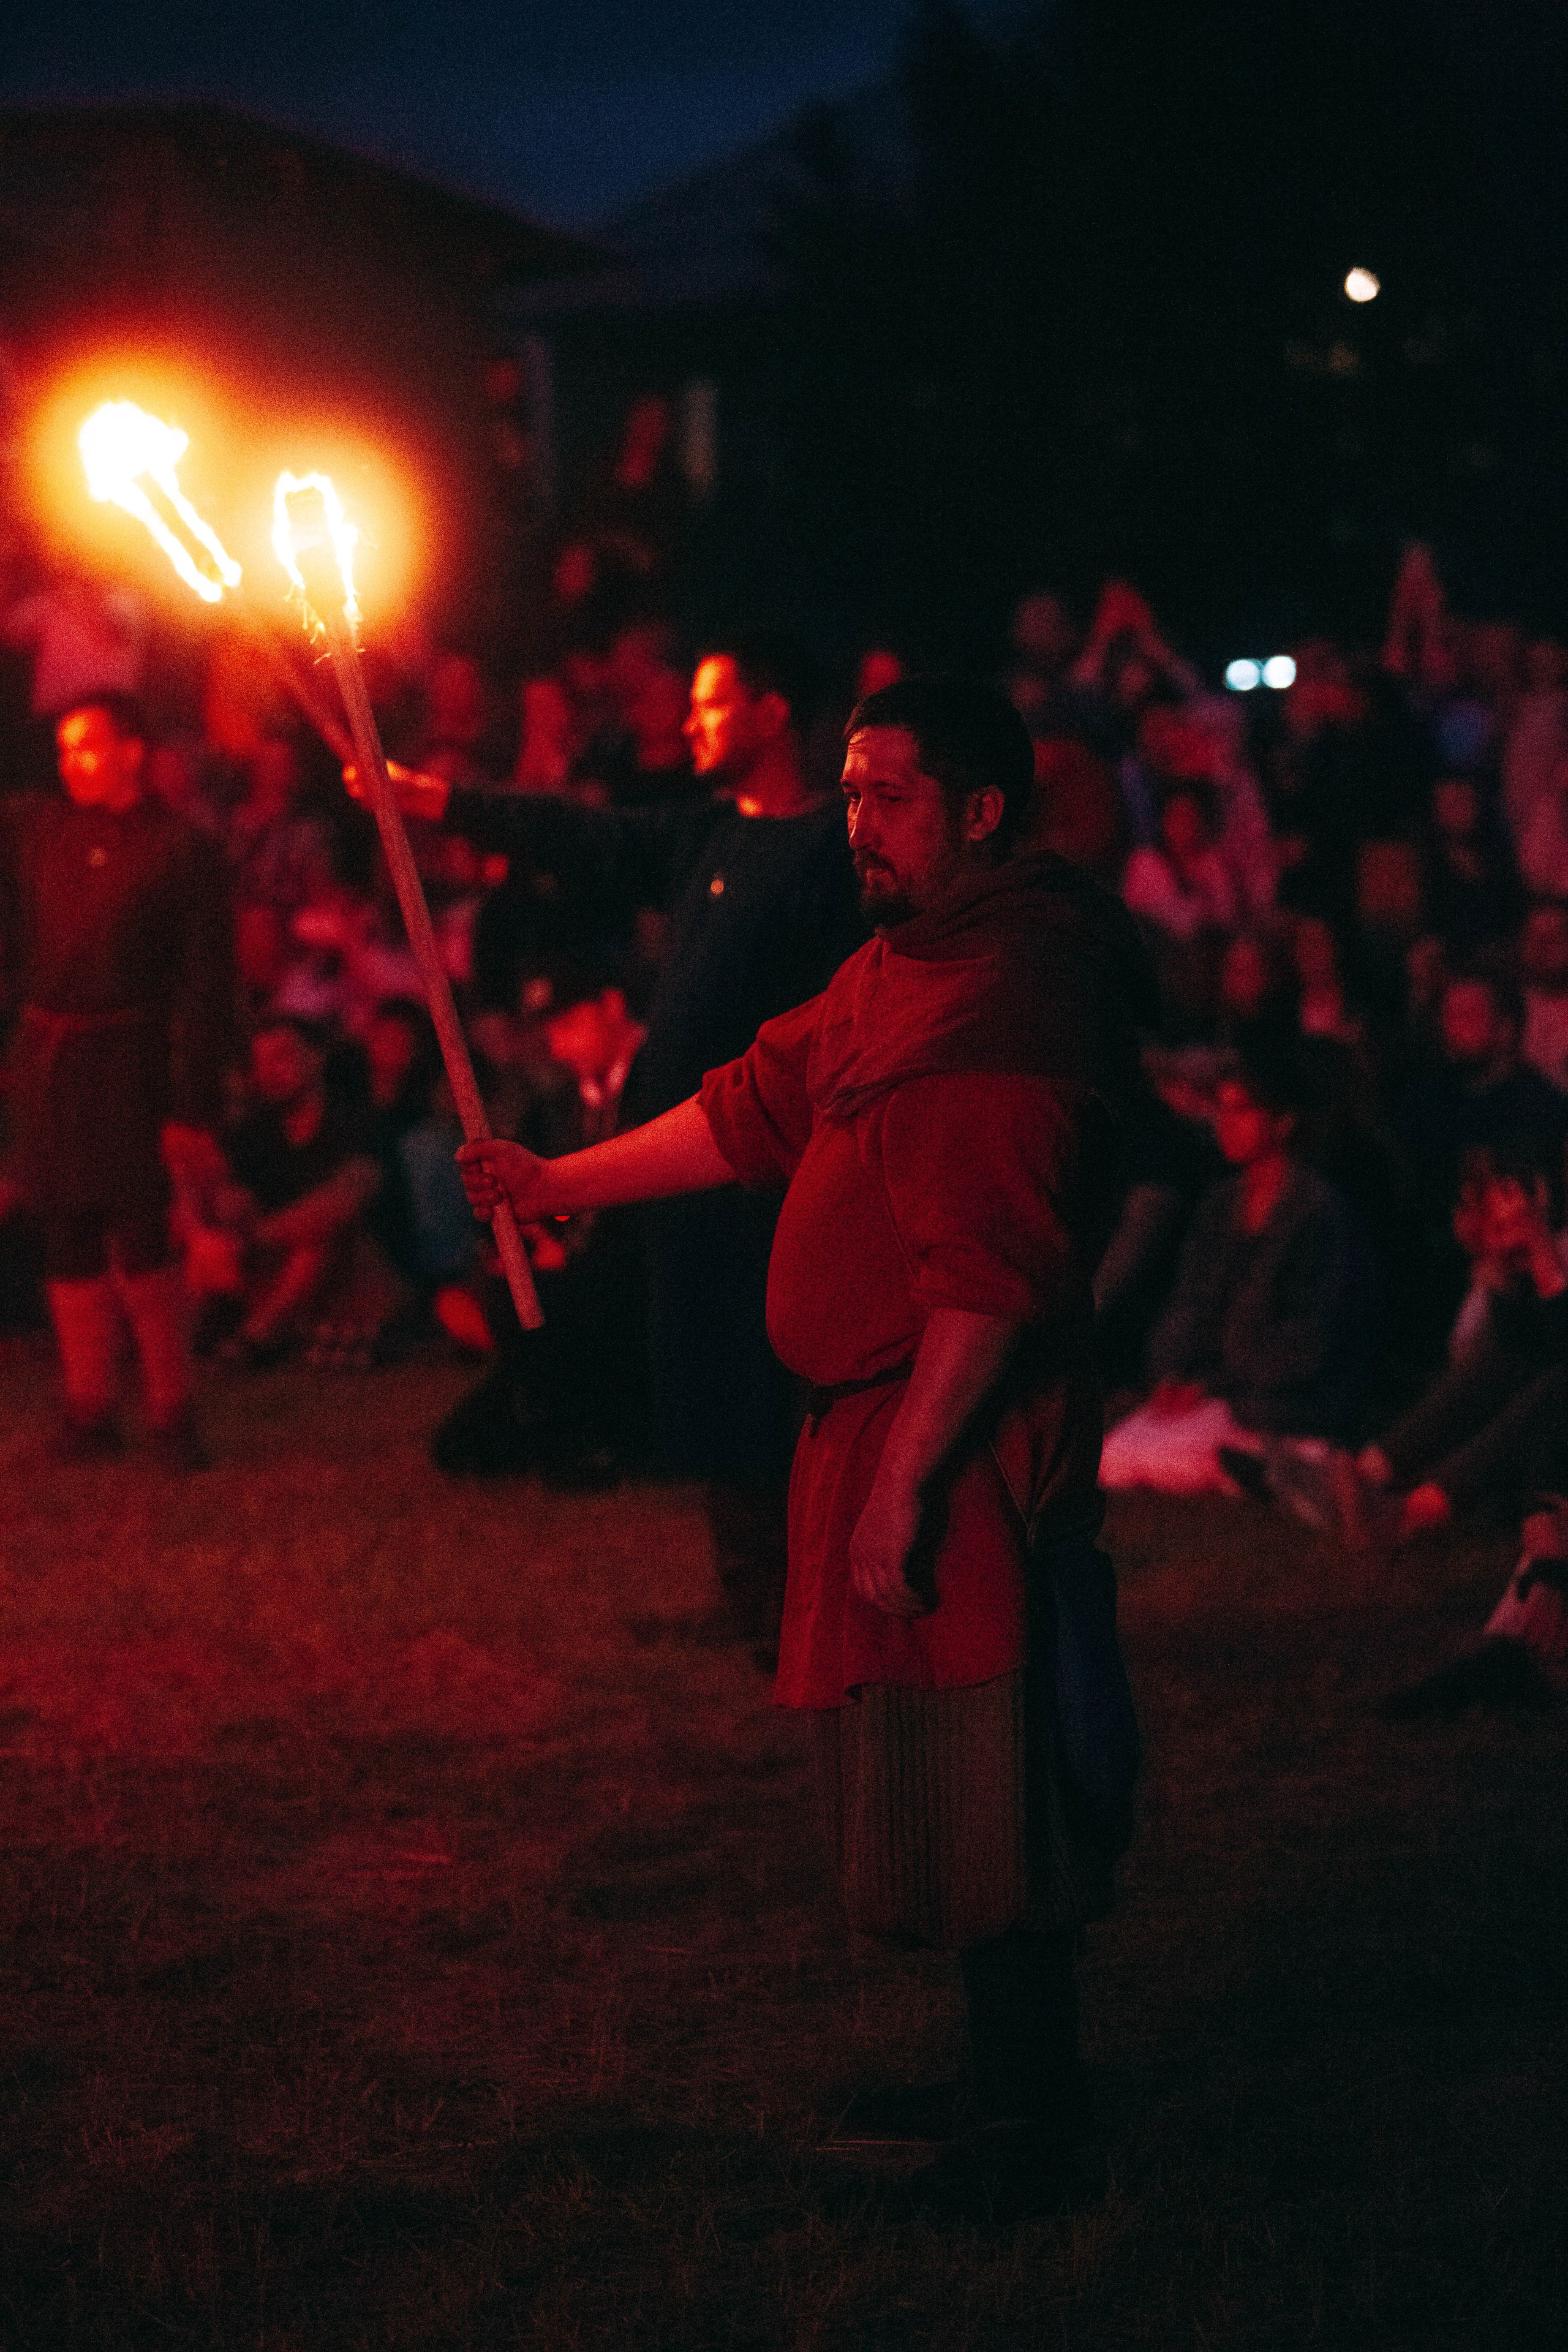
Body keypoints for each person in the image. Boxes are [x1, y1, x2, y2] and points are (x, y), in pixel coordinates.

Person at [454, 677, 1153, 2222]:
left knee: (994, 1764)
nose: (856, 824)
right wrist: (556, 1180)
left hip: (959, 1445)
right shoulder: (896, 966)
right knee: (940, 1763)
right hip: (877, 1427)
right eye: (848, 794)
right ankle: (1002, 2080)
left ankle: (1027, 2125)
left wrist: (904, 1487)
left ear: (980, 809)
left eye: (889, 795)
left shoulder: (1009, 993)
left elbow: (986, 1284)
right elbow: (746, 1110)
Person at [360, 635, 866, 1650]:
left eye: (711, 704)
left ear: (772, 714)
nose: (689, 721)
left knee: (775, 1390)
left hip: (774, 1169)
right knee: (712, 1387)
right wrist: (436, 800)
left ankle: (820, 1608)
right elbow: (581, 834)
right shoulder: (707, 834)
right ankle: (756, 1601)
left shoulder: (832, 854)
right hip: (684, 1175)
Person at [0, 698, 234, 1463]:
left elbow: (206, 984)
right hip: (51, 1058)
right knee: (65, 1229)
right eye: (65, 750)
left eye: (90, 747)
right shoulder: (43, 831)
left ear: (133, 752)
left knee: (139, 1231)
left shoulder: (182, 849)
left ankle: (172, 1410)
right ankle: (89, 1409)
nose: (73, 763)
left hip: (132, 1060)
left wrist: (190, 1103)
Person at [1099, 1042, 1381, 1498]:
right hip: (1218, 1394)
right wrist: (1173, 1373)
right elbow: (1187, 1302)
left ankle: (1285, 1463)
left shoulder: (1317, 1213)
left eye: (1242, 1110)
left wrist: (1213, 1385)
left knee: (1148, 1458)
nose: (1225, 1124)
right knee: (1113, 1457)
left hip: (1281, 1402)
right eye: (1222, 1110)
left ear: (1283, 1121)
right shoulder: (1220, 1205)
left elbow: (1312, 1339)